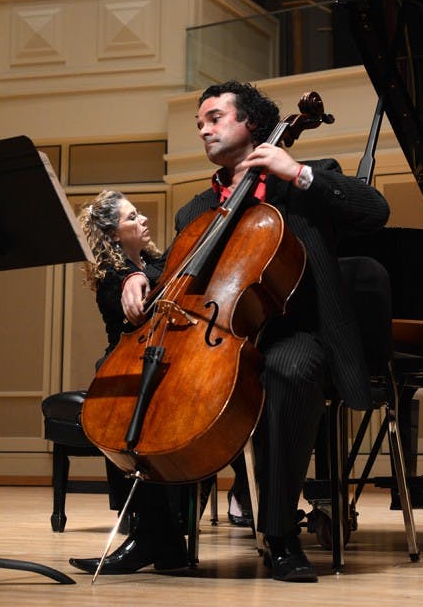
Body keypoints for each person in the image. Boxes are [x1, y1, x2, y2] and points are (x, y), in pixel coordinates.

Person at [115, 81, 390, 582]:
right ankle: (156, 534)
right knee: (135, 375)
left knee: (291, 368)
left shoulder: (306, 182)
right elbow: (178, 267)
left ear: (252, 125)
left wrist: (300, 172)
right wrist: (138, 275)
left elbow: (374, 212)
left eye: (215, 118)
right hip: (220, 336)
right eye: (199, 122)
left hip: (296, 329)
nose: (203, 128)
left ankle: (281, 535)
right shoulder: (195, 209)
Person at [69, 189, 250, 577]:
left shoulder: (162, 263)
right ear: (114, 236)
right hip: (132, 364)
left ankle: (163, 536)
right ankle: (157, 536)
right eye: (132, 218)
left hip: (175, 361)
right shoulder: (112, 278)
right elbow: (131, 290)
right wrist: (132, 276)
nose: (144, 220)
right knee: (128, 412)